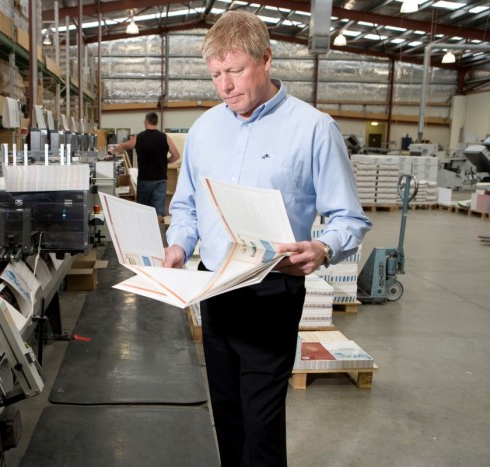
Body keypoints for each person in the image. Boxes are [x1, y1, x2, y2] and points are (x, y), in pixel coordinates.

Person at [163, 11, 372, 467]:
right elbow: (186, 207)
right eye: (216, 74)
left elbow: (348, 218)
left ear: (266, 59)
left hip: (272, 291)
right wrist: (178, 244)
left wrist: (322, 247)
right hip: (215, 288)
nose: (225, 85)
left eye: (235, 71)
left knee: (260, 420)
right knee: (227, 412)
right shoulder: (203, 130)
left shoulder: (314, 128)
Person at [111, 112, 181, 216]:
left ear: (146, 122)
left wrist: (112, 150)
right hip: (160, 180)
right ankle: (158, 230)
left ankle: (144, 230)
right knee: (159, 211)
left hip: (145, 180)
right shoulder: (165, 137)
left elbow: (124, 146)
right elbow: (176, 156)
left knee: (143, 210)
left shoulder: (139, 137)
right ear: (156, 122)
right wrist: (165, 162)